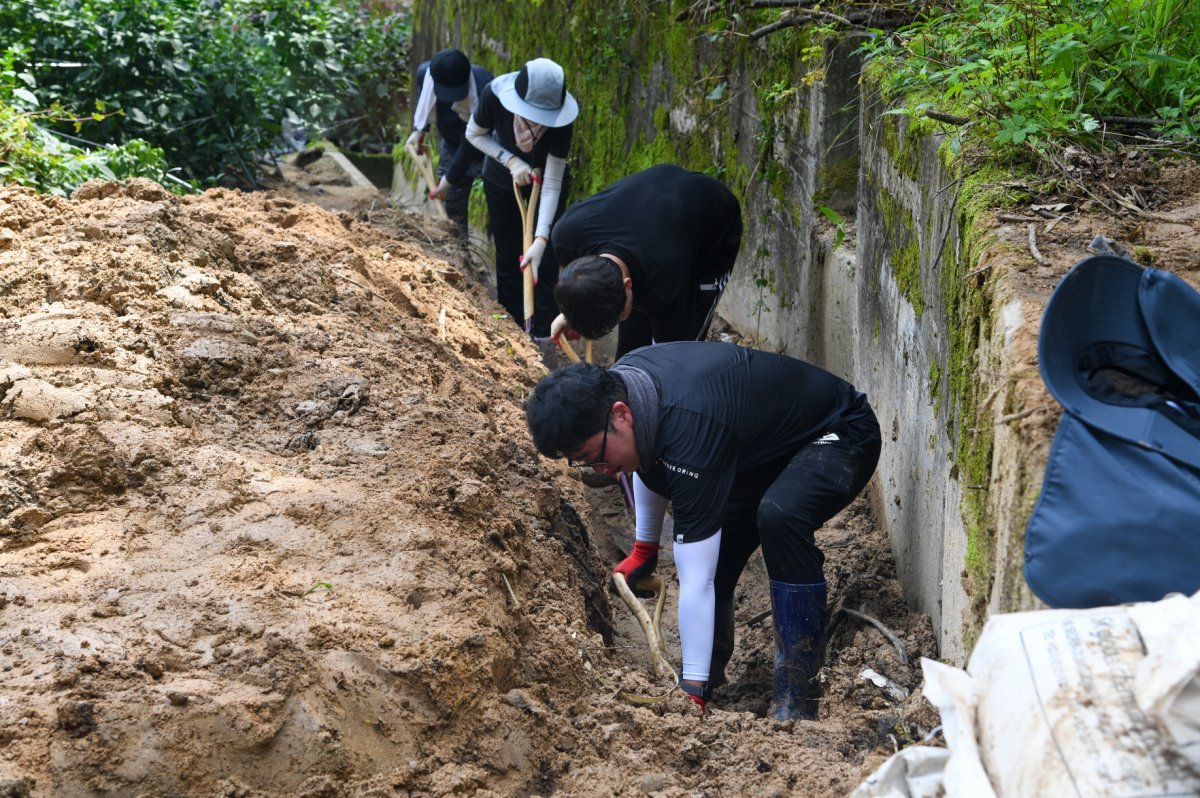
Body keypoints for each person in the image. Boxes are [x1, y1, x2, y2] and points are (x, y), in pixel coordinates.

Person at [525, 342, 881, 719]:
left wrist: (689, 695)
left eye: (593, 457)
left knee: (780, 516)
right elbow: (646, 462)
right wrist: (645, 549)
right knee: (722, 541)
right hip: (757, 452)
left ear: (621, 416)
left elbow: (696, 577)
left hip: (839, 433)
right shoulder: (626, 387)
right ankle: (708, 674)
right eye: (583, 464)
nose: (600, 470)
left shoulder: (688, 431)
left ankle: (797, 692)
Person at [549, 164, 742, 358]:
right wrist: (573, 312)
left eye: (615, 321)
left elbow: (667, 357)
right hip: (658, 196)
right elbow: (586, 284)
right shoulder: (567, 236)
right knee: (632, 340)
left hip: (713, 222)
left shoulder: (667, 278)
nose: (616, 324)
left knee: (680, 349)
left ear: (628, 284)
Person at [465, 58, 577, 337]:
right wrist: (511, 161)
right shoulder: (494, 94)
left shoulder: (563, 119)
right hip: (502, 178)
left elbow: (551, 182)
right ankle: (512, 328)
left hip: (546, 181)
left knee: (547, 259)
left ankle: (542, 333)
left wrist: (540, 240)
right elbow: (474, 134)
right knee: (508, 254)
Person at [407, 49, 493, 231]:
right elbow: (424, 103)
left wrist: (448, 180)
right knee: (453, 202)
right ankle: (459, 251)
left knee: (496, 196)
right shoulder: (426, 74)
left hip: (486, 141)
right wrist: (419, 130)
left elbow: (471, 142)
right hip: (453, 139)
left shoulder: (484, 87)